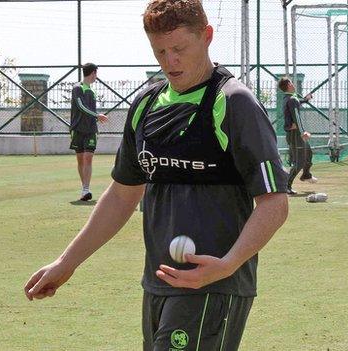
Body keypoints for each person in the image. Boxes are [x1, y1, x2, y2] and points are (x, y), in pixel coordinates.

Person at [24, 1, 289, 350]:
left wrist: (227, 265)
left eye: (179, 48)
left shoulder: (233, 102)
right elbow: (122, 195)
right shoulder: (146, 105)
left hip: (213, 286)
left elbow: (274, 202)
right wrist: (67, 261)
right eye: (160, 51)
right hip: (157, 283)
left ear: (206, 37)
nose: (169, 61)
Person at [69, 63, 108, 201]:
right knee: (80, 159)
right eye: (96, 73)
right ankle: (84, 188)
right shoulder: (77, 88)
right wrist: (97, 115)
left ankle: (86, 189)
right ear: (92, 73)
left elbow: (89, 110)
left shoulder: (92, 91)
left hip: (91, 129)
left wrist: (96, 118)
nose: (96, 77)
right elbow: (80, 106)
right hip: (77, 128)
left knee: (88, 157)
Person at [278, 77, 317, 195]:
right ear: (289, 84)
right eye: (291, 82)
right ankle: (286, 186)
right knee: (299, 162)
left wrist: (305, 99)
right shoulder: (292, 99)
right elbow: (296, 116)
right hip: (295, 134)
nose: (294, 84)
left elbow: (297, 102)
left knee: (308, 153)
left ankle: (306, 175)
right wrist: (302, 132)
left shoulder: (288, 98)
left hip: (294, 133)